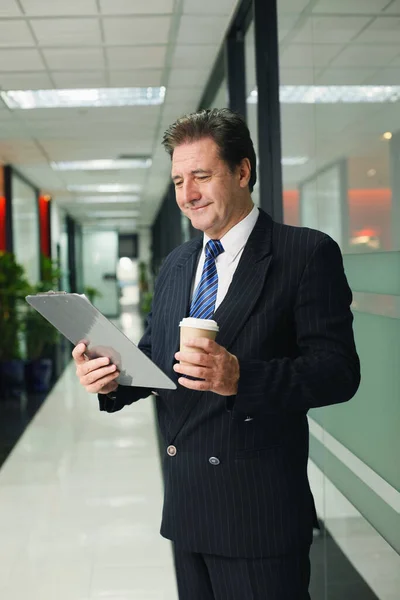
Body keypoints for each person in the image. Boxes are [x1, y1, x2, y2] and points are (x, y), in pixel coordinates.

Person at [73, 108, 360, 599]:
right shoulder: (178, 262)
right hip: (188, 508)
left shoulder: (305, 254)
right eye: (179, 180)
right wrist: (113, 377)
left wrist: (240, 377)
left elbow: (338, 372)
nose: (187, 195)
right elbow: (157, 355)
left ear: (243, 171)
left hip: (258, 515)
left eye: (201, 176)